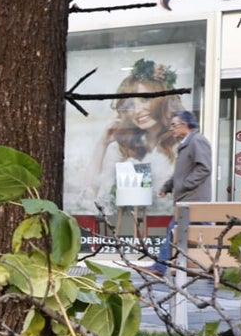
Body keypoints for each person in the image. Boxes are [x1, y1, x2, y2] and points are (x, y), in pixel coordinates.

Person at [82, 60, 182, 217]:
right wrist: (103, 143)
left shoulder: (180, 147)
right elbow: (90, 195)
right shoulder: (123, 148)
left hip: (166, 225)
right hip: (126, 225)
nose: (136, 111)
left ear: (163, 101)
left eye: (144, 99)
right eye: (129, 106)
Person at [142, 109, 212, 278]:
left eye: (174, 125)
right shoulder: (187, 144)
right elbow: (181, 173)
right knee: (206, 234)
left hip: (193, 199)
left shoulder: (197, 141)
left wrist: (185, 185)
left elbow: (204, 168)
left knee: (175, 229)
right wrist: (168, 186)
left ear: (185, 125)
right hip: (189, 198)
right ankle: (219, 267)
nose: (171, 129)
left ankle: (160, 267)